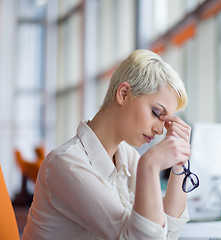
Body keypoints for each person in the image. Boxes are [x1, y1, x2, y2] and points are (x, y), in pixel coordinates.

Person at [22, 49, 192, 240]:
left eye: (166, 120)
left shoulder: (128, 157)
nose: (160, 130)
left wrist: (180, 163)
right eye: (156, 113)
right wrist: (149, 167)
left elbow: (166, 234)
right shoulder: (65, 164)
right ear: (124, 93)